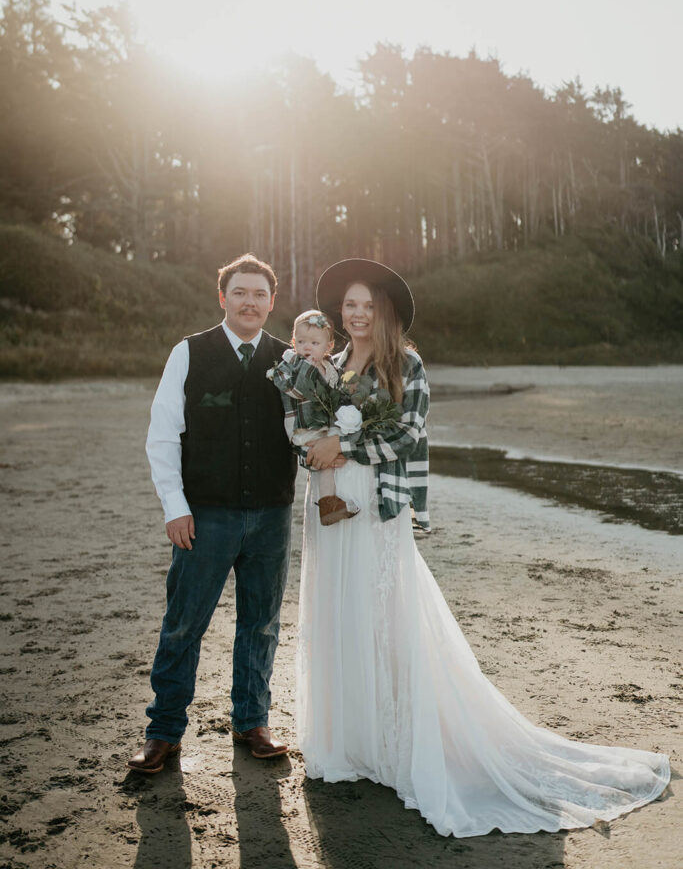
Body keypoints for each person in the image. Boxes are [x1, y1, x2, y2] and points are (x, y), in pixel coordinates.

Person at [296, 258, 670, 837]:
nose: (359, 314)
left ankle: (399, 744)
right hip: (326, 509)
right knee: (340, 619)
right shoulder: (330, 362)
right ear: (339, 313)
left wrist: (343, 451)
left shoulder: (407, 363)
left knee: (386, 619)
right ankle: (352, 743)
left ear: (385, 310)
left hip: (377, 505)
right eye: (350, 305)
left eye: (369, 305)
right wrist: (313, 452)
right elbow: (301, 422)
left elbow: (407, 433)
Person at [128, 253, 298, 773]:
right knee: (183, 624)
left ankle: (253, 721)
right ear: (222, 298)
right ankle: (163, 732)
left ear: (272, 302)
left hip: (272, 514)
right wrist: (174, 508)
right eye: (241, 292)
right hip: (205, 515)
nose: (251, 302)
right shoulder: (189, 353)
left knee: (261, 624)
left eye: (261, 294)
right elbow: (163, 433)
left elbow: (310, 431)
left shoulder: (291, 359)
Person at [267, 309, 359, 525]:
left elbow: (335, 395)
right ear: (293, 342)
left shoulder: (330, 367)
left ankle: (332, 501)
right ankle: (328, 504)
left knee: (341, 446)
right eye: (301, 341)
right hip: (304, 428)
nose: (306, 347)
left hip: (323, 426)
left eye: (314, 343)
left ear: (329, 346)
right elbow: (298, 391)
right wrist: (308, 368)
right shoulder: (291, 366)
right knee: (326, 463)